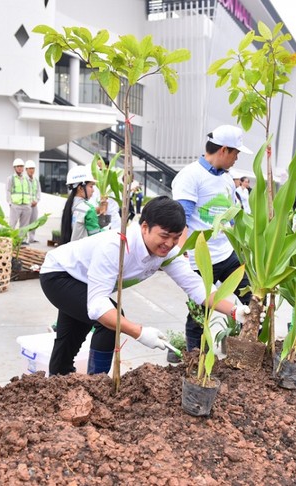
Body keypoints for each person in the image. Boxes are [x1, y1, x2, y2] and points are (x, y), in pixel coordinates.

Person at [39, 196, 251, 375]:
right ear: (145, 227)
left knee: (67, 342)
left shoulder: (169, 252)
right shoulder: (117, 246)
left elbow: (196, 287)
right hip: (59, 275)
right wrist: (139, 332)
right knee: (108, 319)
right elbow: (96, 305)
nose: (169, 244)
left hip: (85, 280)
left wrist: (234, 311)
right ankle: (98, 383)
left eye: (176, 238)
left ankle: (58, 381)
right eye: (164, 236)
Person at [172, 125, 254, 350]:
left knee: (253, 297)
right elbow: (181, 221)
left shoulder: (227, 179)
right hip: (200, 260)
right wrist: (182, 259)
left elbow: (232, 217)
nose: (236, 159)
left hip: (227, 255)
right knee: (200, 316)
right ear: (224, 150)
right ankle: (196, 362)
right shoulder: (190, 177)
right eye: (236, 153)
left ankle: (251, 348)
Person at [61, 165, 104, 244]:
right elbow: (96, 237)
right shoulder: (88, 209)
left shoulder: (71, 205)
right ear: (80, 188)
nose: (93, 190)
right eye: (91, 186)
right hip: (84, 254)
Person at [6, 158, 32, 234]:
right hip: (15, 205)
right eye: (18, 166)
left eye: (21, 166)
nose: (20, 168)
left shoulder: (26, 179)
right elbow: (8, 191)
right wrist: (10, 203)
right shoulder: (11, 178)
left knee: (24, 225)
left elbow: (29, 191)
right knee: (12, 224)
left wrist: (29, 203)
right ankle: (10, 239)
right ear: (14, 168)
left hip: (26, 205)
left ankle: (22, 240)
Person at [24, 160, 42, 244]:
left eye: (33, 168)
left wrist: (36, 201)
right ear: (26, 169)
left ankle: (31, 238)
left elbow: (38, 191)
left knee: (34, 222)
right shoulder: (23, 180)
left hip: (34, 205)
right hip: (26, 205)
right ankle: (23, 239)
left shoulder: (36, 180)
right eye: (30, 168)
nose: (32, 170)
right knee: (25, 222)